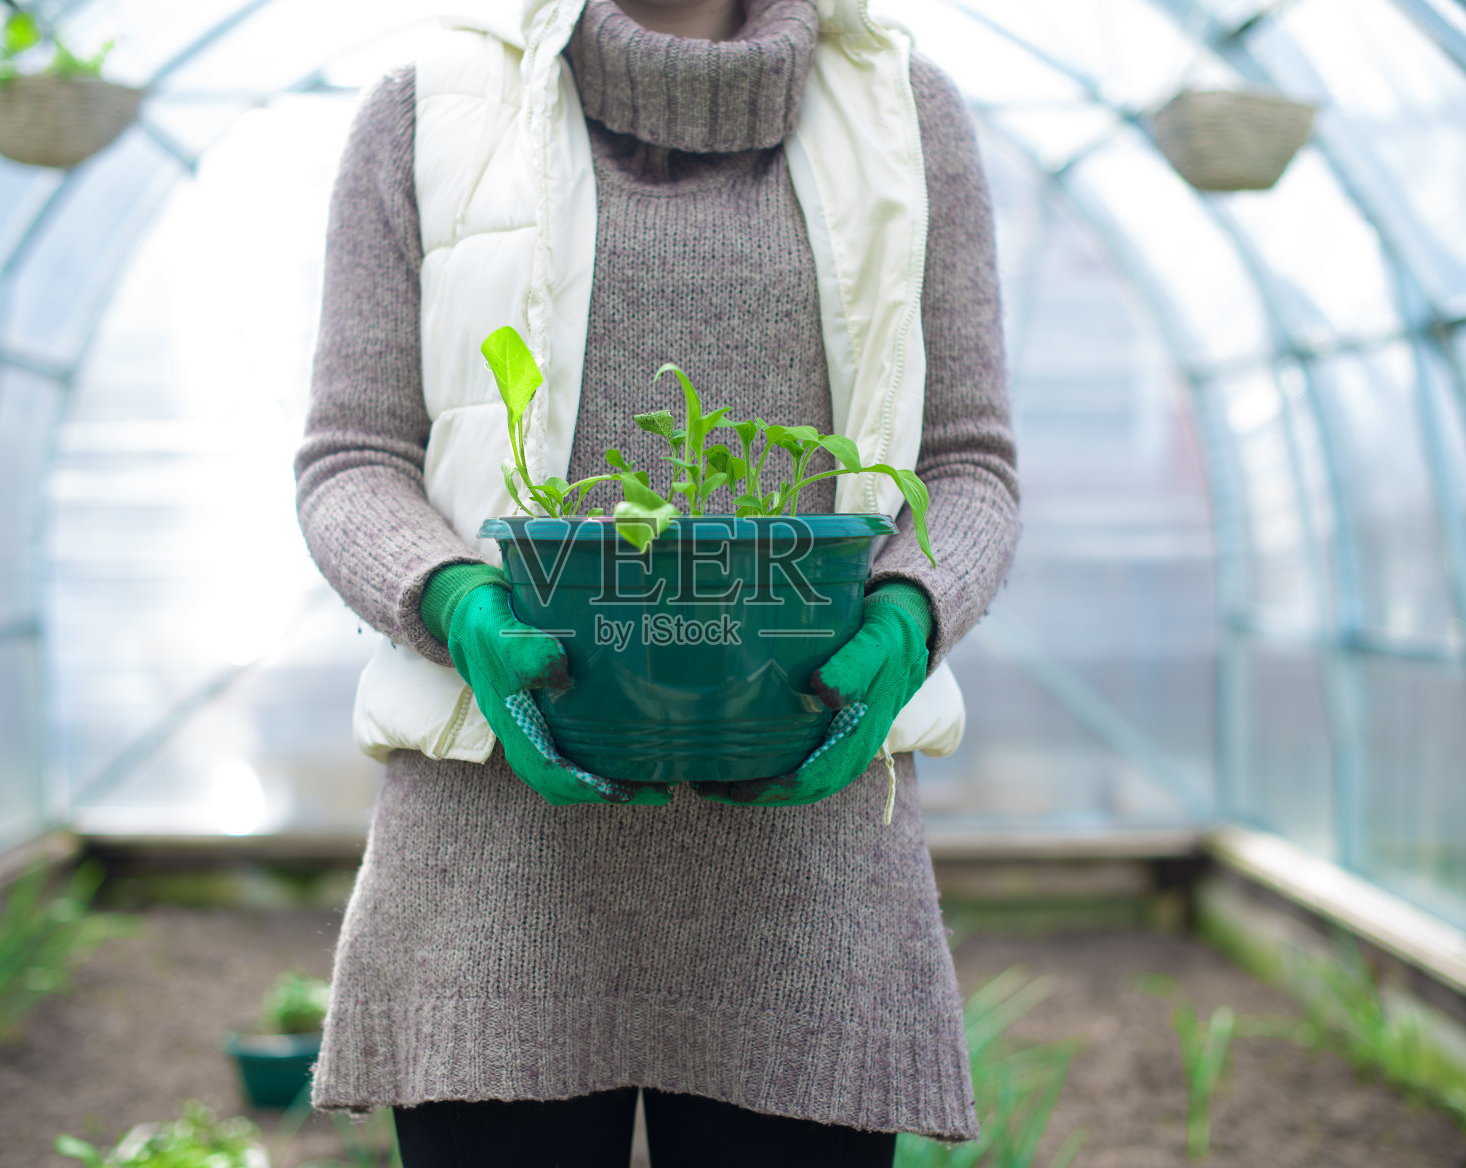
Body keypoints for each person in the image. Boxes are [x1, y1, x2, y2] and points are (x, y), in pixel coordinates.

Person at [293, 0, 1019, 1164]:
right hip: (495, 861)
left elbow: (968, 462)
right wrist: (458, 607)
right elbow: (351, 459)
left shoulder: (902, 113)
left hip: (806, 870)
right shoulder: (428, 108)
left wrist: (906, 615)